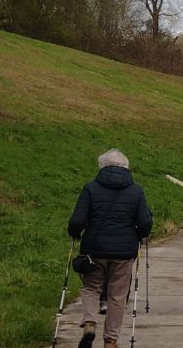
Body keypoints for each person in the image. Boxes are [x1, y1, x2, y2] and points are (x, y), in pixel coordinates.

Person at [67, 149, 153, 348]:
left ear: (103, 166)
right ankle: (111, 340)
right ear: (126, 167)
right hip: (124, 251)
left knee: (91, 287)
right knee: (117, 294)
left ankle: (89, 323)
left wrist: (74, 232)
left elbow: (78, 220)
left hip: (94, 249)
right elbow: (145, 221)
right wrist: (139, 235)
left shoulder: (91, 188)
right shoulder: (136, 190)